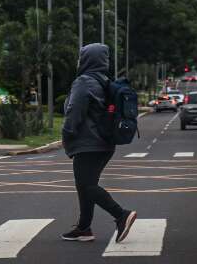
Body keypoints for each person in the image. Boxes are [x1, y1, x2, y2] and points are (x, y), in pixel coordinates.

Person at [61, 43, 137, 243]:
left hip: (88, 143)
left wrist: (67, 133)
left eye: (81, 57)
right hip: (104, 143)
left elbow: (74, 111)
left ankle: (121, 215)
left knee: (86, 186)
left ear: (87, 59)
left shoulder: (84, 81)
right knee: (86, 185)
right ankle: (84, 228)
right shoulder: (104, 81)